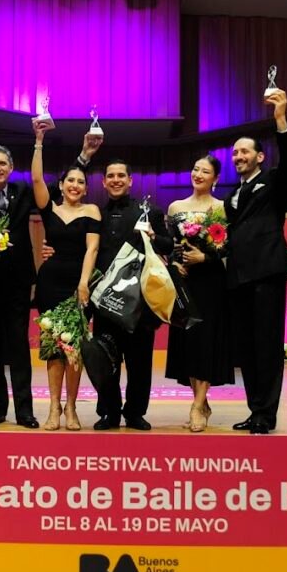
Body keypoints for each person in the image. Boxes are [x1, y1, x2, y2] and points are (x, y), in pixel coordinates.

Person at [0, 133, 102, 430]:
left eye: (2, 163)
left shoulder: (23, 190)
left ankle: (25, 411)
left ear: (10, 166)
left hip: (19, 281)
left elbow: (60, 183)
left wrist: (81, 156)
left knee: (19, 346)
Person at [225, 90, 287, 435]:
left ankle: (266, 415)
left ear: (260, 156)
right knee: (247, 350)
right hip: (238, 278)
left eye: (245, 151)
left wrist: (280, 119)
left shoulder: (273, 182)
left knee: (267, 346)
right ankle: (255, 409)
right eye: (235, 152)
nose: (239, 156)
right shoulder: (231, 196)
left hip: (267, 272)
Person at [92, 159, 173, 432]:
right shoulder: (96, 215)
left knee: (139, 363)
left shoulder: (148, 211)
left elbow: (168, 245)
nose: (116, 180)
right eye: (110, 176)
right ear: (103, 182)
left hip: (140, 302)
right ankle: (109, 413)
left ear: (130, 181)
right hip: (104, 302)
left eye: (121, 176)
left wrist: (153, 236)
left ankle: (136, 413)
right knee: (106, 360)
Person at [30, 122, 101, 431]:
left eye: (80, 182)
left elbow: (92, 250)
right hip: (49, 284)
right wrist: (39, 140)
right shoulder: (49, 209)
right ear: (60, 185)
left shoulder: (92, 211)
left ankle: (72, 407)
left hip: (78, 286)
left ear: (85, 188)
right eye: (69, 180)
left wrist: (84, 284)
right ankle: (54, 408)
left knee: (74, 349)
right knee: (53, 349)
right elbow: (35, 177)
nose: (74, 185)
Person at [164, 155, 234, 432]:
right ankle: (200, 401)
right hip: (184, 282)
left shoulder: (222, 208)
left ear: (215, 178)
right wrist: (176, 263)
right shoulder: (175, 206)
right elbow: (169, 244)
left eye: (205, 171)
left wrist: (203, 259)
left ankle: (197, 406)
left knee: (206, 341)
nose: (198, 174)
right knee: (189, 343)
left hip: (211, 282)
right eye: (195, 169)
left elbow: (228, 250)